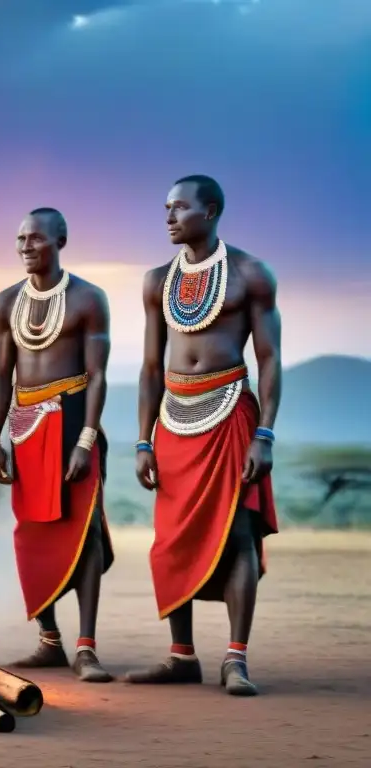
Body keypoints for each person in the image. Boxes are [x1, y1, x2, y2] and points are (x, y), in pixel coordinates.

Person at [126, 175, 279, 696]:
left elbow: (270, 359)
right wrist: (143, 439)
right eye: (165, 207)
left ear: (210, 211)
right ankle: (181, 656)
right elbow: (149, 366)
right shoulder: (155, 280)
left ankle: (235, 659)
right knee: (171, 540)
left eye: (179, 208)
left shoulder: (249, 274)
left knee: (238, 535)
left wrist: (265, 434)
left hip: (230, 413)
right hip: (173, 418)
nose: (168, 217)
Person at [0, 208, 115, 682]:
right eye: (19, 238)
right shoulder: (5, 302)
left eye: (35, 238)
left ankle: (86, 648)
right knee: (33, 534)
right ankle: (50, 642)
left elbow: (98, 374)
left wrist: (86, 438)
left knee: (85, 534)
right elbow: (2, 374)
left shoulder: (87, 299)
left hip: (74, 418)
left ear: (60, 239)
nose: (25, 246)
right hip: (24, 426)